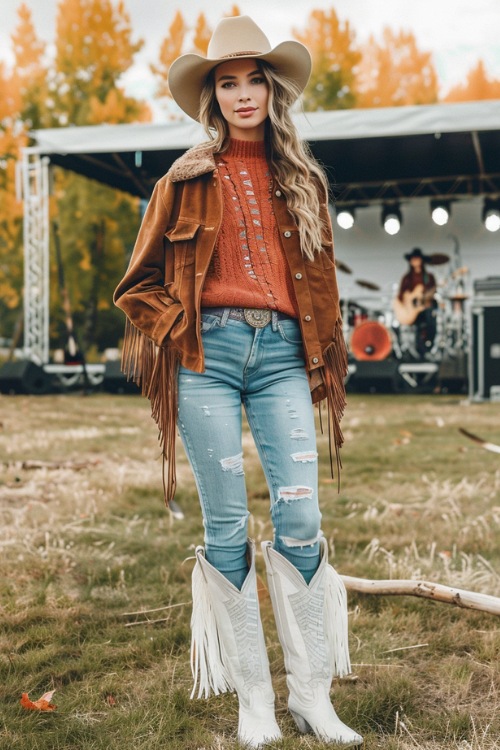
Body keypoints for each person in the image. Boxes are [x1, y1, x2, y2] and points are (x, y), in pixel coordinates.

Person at [113, 15, 362, 749]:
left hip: (284, 354)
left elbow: (320, 286)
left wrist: (322, 351)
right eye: (229, 82)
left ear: (273, 90)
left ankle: (312, 696)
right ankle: (256, 703)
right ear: (212, 96)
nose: (244, 93)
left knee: (301, 521)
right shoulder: (183, 181)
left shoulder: (304, 180)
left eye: (256, 79)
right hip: (208, 360)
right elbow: (137, 285)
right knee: (225, 529)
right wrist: (177, 330)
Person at [394, 247, 437, 358]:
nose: (415, 261)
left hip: (425, 309)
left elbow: (432, 293)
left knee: (430, 315)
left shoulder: (428, 277)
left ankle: (427, 348)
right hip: (412, 311)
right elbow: (401, 295)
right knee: (417, 326)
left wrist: (427, 299)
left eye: (417, 259)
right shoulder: (407, 278)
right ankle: (416, 350)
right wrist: (408, 302)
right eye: (413, 259)